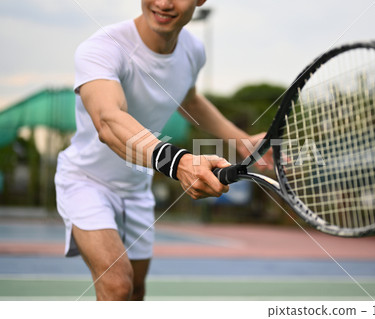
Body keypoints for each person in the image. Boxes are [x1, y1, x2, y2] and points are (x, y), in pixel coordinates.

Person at [55, 0, 272, 301]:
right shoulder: (102, 48)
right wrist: (179, 162)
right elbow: (108, 121)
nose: (163, 3)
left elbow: (189, 98)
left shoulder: (193, 51)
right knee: (117, 285)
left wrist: (240, 139)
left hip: (136, 189)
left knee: (136, 292)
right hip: (85, 182)